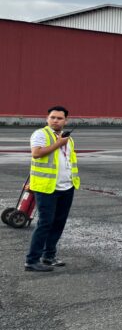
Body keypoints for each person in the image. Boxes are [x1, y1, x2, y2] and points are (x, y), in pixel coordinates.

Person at [25, 105, 80, 272]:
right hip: (46, 187)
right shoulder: (40, 134)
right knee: (45, 223)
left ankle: (49, 256)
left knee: (58, 223)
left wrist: (71, 181)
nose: (55, 120)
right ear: (47, 119)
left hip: (66, 187)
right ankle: (32, 261)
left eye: (59, 118)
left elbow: (68, 161)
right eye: (52, 117)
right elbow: (36, 153)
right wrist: (58, 143)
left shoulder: (68, 139)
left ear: (66, 121)